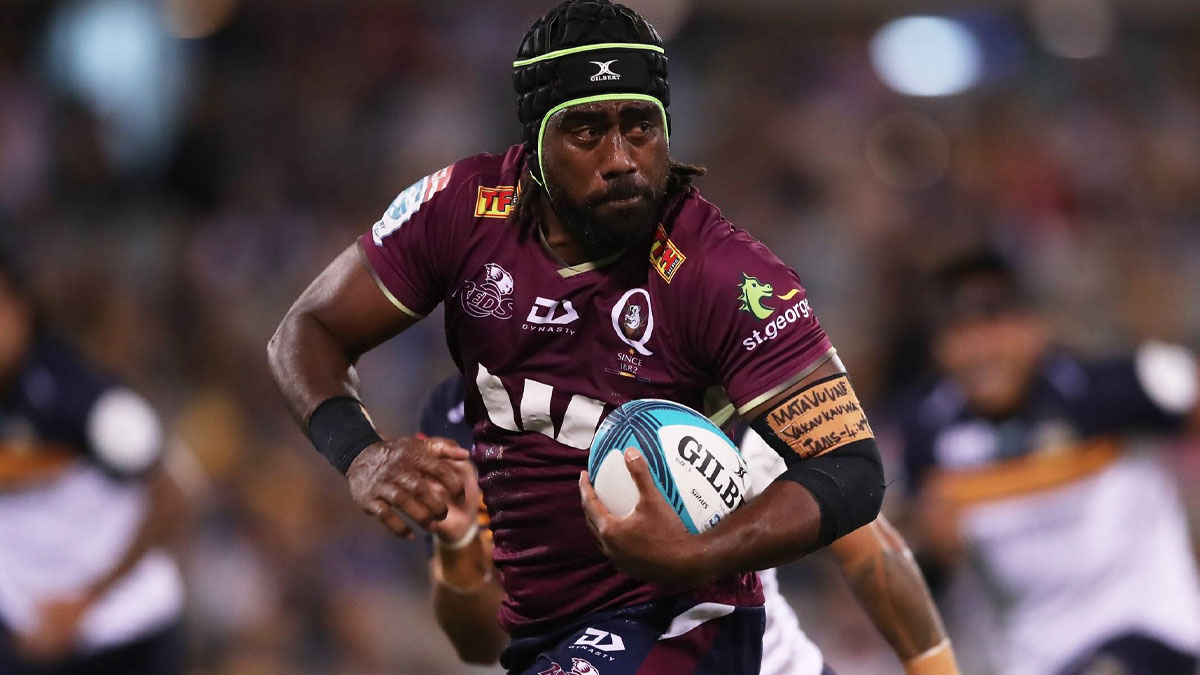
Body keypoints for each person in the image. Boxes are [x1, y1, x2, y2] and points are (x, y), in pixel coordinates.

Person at [270, 2, 888, 672]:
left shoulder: (722, 273)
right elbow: (307, 330)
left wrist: (697, 553)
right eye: (586, 131)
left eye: (640, 126)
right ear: (536, 142)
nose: (620, 159)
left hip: (682, 615)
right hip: (546, 630)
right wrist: (360, 454)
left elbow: (851, 467)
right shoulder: (460, 210)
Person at [419, 374, 960, 675]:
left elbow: (865, 545)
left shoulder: (689, 364)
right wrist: (458, 540)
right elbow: (479, 644)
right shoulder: (456, 420)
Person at [893, 250, 1200, 675]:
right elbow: (917, 579)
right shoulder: (926, 432)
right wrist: (930, 554)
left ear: (1034, 327)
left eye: (993, 326)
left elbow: (1184, 389)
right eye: (960, 333)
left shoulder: (1103, 389)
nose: (979, 350)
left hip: (1146, 625)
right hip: (1034, 658)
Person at [0, 249, 187, 674]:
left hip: (123, 636)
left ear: (21, 310)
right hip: (25, 638)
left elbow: (174, 498)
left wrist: (88, 599)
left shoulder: (82, 397)